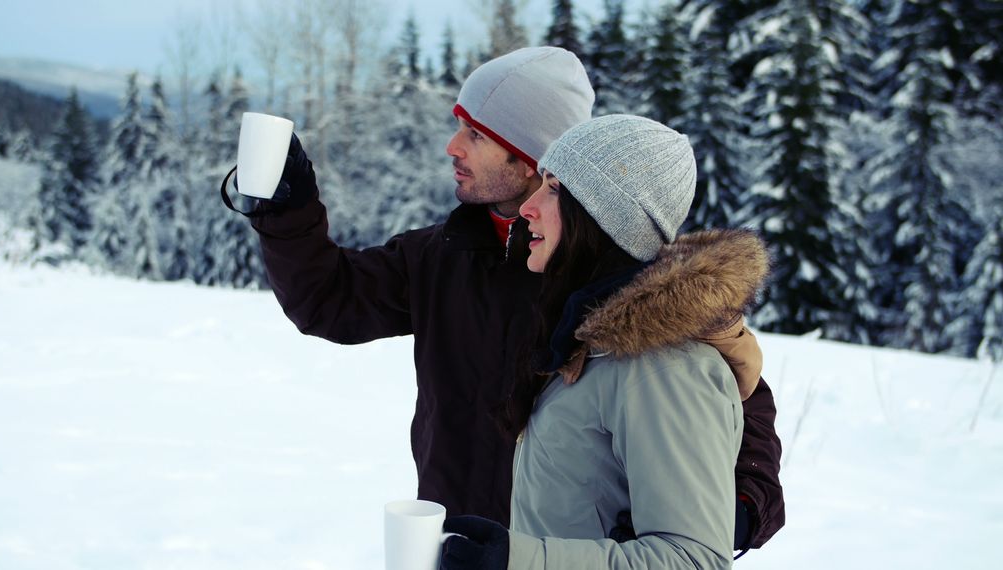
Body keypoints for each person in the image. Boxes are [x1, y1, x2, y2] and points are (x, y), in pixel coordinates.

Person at [244, 46, 784, 550]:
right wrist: (288, 211)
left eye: (475, 134)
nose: (453, 147)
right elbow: (329, 299)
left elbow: (730, 394)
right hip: (456, 544)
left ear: (530, 158)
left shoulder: (618, 281)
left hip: (563, 555)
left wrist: (734, 506)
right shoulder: (442, 255)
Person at [438, 114, 769, 570]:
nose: (528, 207)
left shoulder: (664, 369)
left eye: (554, 188)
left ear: (603, 218)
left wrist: (519, 561)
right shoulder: (587, 346)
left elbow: (694, 560)